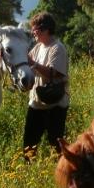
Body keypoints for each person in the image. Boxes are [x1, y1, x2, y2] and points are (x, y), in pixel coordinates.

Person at [23, 12, 69, 159]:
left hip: (55, 104)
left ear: (45, 29)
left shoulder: (57, 48)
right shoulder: (37, 48)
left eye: (35, 29)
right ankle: (28, 171)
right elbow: (26, 63)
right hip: (37, 103)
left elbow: (55, 73)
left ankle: (62, 171)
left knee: (56, 144)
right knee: (29, 144)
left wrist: (33, 64)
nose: (33, 32)